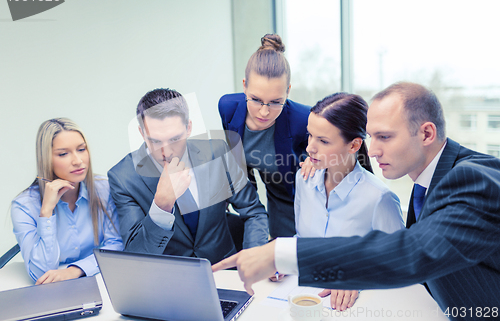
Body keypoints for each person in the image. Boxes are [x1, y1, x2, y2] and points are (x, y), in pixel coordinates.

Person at [213, 82, 500, 317]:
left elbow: (413, 250)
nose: (373, 151)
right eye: (372, 137)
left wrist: (281, 254)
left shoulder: (470, 179)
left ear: (426, 133)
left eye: (385, 137)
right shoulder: (427, 182)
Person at [108, 88, 269, 265]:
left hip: (225, 271)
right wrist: (161, 206)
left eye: (175, 139)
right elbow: (135, 255)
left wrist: (254, 260)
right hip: (169, 281)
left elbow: (254, 212)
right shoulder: (123, 178)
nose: (166, 152)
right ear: (142, 133)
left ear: (189, 128)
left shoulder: (218, 152)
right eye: (155, 141)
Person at [294, 92, 404, 311]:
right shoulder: (304, 179)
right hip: (303, 297)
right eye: (310, 135)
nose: (310, 148)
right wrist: (277, 259)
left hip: (355, 309)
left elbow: (400, 263)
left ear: (354, 146)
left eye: (323, 141)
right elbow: (302, 240)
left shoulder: (379, 198)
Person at [219, 34, 311, 240]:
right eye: (256, 100)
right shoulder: (228, 108)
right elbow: (239, 161)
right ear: (244, 85)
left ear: (288, 91)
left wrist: (312, 160)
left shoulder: (304, 118)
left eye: (276, 102)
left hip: (299, 193)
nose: (263, 112)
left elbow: (331, 146)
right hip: (273, 190)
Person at [11, 118, 123, 284]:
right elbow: (40, 273)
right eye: (63, 154)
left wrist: (76, 270)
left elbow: (117, 246)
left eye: (81, 149)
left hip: (100, 279)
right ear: (46, 159)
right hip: (53, 291)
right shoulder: (24, 206)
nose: (78, 161)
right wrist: (46, 212)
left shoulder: (104, 188)